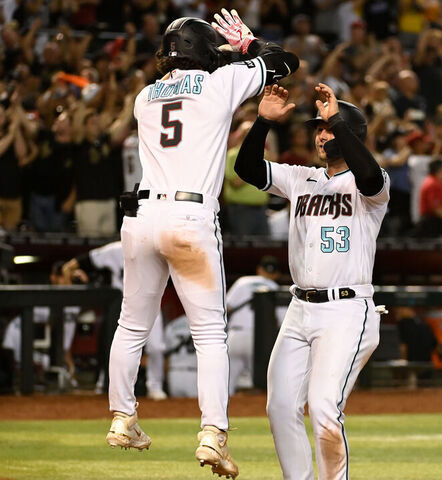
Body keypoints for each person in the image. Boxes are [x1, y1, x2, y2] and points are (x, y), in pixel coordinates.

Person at [103, 10, 298, 480]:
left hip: (142, 218)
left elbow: (184, 76)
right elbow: (285, 63)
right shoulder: (220, 82)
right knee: (210, 334)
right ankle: (212, 434)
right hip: (190, 217)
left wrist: (220, 54)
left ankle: (122, 418)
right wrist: (246, 45)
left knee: (131, 326)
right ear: (206, 53)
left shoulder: (144, 97)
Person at [234, 82, 389, 480]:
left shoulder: (372, 185)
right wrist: (263, 123)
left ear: (349, 133)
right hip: (300, 308)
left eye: (328, 127)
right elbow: (247, 168)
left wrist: (338, 119)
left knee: (323, 408)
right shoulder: (301, 178)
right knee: (281, 407)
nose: (321, 134)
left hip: (347, 310)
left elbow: (369, 175)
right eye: (318, 128)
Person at [62, 241, 167, 400]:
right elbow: (74, 264)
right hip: (124, 308)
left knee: (157, 347)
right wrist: (72, 274)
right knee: (118, 350)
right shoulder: (116, 249)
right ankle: (116, 388)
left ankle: (155, 387)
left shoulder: (155, 249)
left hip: (151, 302)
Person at [226, 255, 283, 395]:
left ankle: (223, 413)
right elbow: (282, 321)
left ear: (259, 269)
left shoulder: (242, 282)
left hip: (235, 335)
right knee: (261, 384)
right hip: (260, 340)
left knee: (227, 383)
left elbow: (226, 308)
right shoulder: (275, 287)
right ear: (276, 274)